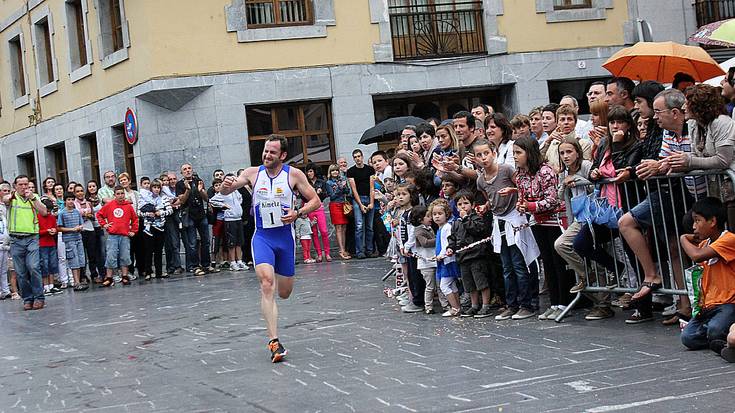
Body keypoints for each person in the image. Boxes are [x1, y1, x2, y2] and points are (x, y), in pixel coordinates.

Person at [220, 134, 321, 363]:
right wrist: (227, 187)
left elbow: (315, 200)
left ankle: (279, 274)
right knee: (267, 283)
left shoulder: (294, 175)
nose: (266, 155)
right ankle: (274, 341)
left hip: (285, 239)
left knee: (284, 292)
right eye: (265, 151)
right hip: (263, 237)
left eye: (272, 152)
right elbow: (230, 189)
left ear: (282, 155)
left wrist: (298, 213)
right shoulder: (252, 173)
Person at [474, 139, 539, 321]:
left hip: (514, 219)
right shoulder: (481, 180)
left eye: (486, 153)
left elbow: (522, 188)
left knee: (519, 264)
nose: (483, 158)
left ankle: (527, 303)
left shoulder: (506, 170)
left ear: (493, 153)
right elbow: (490, 198)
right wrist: (486, 207)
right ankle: (512, 304)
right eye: (479, 155)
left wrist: (514, 193)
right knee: (506, 266)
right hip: (499, 222)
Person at [679, 197, 735, 356]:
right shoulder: (704, 244)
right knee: (688, 337)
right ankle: (720, 341)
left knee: (715, 329)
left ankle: (721, 337)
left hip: (729, 303)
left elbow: (696, 255)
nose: (694, 227)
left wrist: (683, 238)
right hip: (709, 306)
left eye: (697, 221)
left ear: (712, 221)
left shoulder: (729, 239)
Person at [2, 175, 49, 310]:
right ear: (15, 186)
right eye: (20, 185)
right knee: (21, 272)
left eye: (26, 184)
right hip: (16, 239)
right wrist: (10, 196)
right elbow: (5, 199)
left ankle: (39, 297)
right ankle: (28, 298)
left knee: (33, 267)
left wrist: (33, 198)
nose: (24, 187)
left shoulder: (34, 197)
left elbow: (44, 212)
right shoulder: (12, 197)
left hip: (32, 238)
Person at [447, 190, 494, 318]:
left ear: (472, 205)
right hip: (463, 257)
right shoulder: (456, 222)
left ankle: (485, 305)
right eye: (460, 204)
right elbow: (453, 237)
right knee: (469, 284)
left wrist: (466, 218)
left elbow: (477, 230)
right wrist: (450, 248)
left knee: (481, 282)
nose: (463, 206)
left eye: (466, 203)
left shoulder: (476, 218)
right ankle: (474, 305)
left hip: (476, 255)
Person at [96, 186, 139, 287]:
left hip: (124, 236)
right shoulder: (110, 205)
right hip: (113, 235)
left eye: (122, 193)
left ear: (124, 194)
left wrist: (133, 230)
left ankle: (125, 276)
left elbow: (135, 219)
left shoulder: (128, 206)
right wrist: (104, 224)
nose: (120, 196)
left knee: (125, 256)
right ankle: (109, 277)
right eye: (118, 194)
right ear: (114, 195)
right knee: (111, 256)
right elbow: (99, 214)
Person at [176, 163, 214, 276]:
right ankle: (195, 266)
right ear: (182, 172)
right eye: (185, 169)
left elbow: (207, 198)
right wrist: (187, 190)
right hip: (189, 216)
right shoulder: (180, 184)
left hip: (201, 214)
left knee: (206, 241)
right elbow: (182, 201)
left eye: (189, 168)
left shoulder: (198, 180)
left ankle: (206, 265)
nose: (187, 171)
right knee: (192, 243)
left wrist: (201, 190)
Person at [410, 205, 446, 314]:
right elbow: (425, 243)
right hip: (426, 263)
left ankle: (445, 304)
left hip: (434, 261)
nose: (431, 218)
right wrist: (438, 239)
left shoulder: (429, 228)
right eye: (428, 216)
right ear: (420, 219)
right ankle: (428, 306)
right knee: (430, 286)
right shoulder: (418, 230)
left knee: (439, 285)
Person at [430, 199, 461, 317]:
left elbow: (448, 244)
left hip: (448, 260)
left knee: (444, 285)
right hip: (444, 260)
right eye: (434, 214)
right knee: (451, 285)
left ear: (446, 214)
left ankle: (454, 307)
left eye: (440, 214)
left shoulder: (447, 227)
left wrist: (440, 256)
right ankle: (457, 307)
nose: (437, 216)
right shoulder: (440, 228)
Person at [210, 175, 247, 271]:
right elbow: (212, 201)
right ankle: (232, 262)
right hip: (230, 219)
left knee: (239, 241)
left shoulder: (235, 191)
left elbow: (240, 198)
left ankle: (239, 260)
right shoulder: (223, 192)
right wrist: (223, 206)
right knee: (232, 242)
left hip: (238, 218)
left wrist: (237, 206)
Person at [140, 179, 173, 279]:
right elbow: (139, 212)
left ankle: (159, 272)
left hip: (160, 227)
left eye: (158, 187)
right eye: (154, 187)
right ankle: (148, 272)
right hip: (148, 228)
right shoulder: (145, 198)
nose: (156, 189)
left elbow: (170, 210)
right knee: (148, 250)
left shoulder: (163, 199)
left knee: (158, 251)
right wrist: (147, 214)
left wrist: (161, 213)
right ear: (151, 188)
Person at [347, 149, 377, 259]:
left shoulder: (370, 169)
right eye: (355, 157)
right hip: (357, 199)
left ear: (362, 156)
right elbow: (353, 189)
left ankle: (369, 250)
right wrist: (360, 205)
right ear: (353, 158)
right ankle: (360, 251)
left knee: (369, 227)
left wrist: (372, 202)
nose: (357, 158)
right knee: (359, 226)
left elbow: (372, 187)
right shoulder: (351, 171)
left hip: (369, 197)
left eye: (359, 156)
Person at [57, 192, 88, 292]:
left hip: (78, 238)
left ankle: (78, 281)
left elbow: (81, 224)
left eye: (72, 199)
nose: (70, 202)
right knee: (73, 260)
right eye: (68, 200)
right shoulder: (62, 213)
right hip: (69, 239)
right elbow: (59, 228)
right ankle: (76, 282)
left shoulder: (76, 212)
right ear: (65, 201)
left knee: (80, 260)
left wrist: (80, 228)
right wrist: (71, 229)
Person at [304, 164, 331, 262]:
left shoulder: (321, 182)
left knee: (324, 231)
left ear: (314, 171)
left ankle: (327, 253)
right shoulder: (305, 183)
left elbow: (326, 194)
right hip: (310, 208)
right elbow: (303, 197)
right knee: (314, 232)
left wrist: (320, 193)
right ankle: (319, 254)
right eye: (308, 171)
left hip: (319, 207)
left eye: (311, 171)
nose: (309, 173)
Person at [325, 164, 352, 260]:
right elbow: (331, 196)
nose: (335, 172)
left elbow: (348, 191)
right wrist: (339, 188)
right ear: (330, 172)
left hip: (343, 204)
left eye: (336, 170)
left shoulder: (342, 180)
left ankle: (344, 249)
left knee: (344, 227)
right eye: (333, 171)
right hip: (335, 205)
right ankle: (341, 250)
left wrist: (344, 187)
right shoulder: (328, 183)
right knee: (339, 228)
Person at [162, 172, 183, 275]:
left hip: (181, 215)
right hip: (169, 217)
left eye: (174, 179)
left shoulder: (180, 187)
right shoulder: (164, 190)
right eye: (169, 179)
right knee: (173, 242)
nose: (172, 181)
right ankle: (174, 265)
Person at [38, 198, 61, 296]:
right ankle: (45, 286)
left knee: (52, 264)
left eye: (49, 211)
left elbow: (55, 227)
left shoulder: (51, 217)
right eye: (47, 210)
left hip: (51, 243)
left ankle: (51, 285)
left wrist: (54, 231)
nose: (48, 212)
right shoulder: (37, 217)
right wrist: (46, 231)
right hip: (42, 244)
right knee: (44, 265)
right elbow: (36, 232)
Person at [0, 182, 11, 300]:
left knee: (5, 267)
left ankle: (5, 290)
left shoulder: (10, 204)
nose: (7, 193)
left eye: (8, 191)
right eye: (4, 191)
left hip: (7, 237)